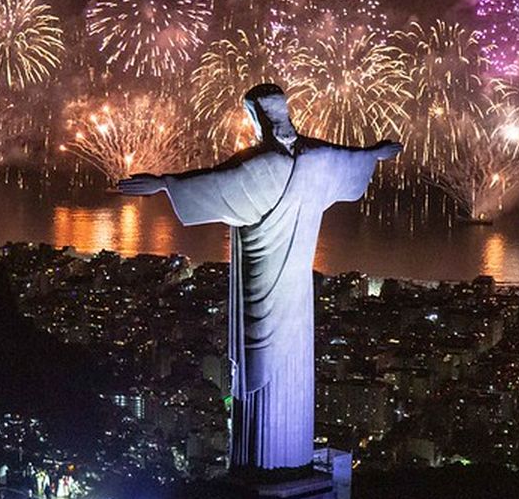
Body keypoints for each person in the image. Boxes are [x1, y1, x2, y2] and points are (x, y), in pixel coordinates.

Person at [119, 83, 401, 471]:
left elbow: (212, 184)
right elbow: (349, 159)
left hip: (261, 288)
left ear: (255, 119)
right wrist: (375, 154)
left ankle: (260, 467)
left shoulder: (260, 166)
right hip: (297, 296)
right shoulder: (316, 158)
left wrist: (165, 184)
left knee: (260, 370)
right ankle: (289, 462)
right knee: (289, 370)